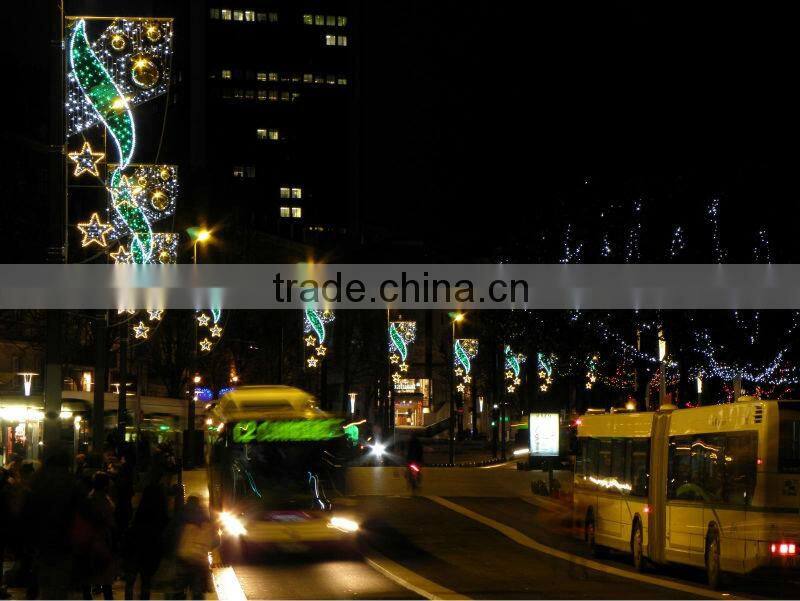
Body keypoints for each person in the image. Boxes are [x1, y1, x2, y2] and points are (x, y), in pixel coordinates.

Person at [123, 482, 169, 600]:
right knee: (146, 581)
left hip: (135, 545)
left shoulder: (140, 509)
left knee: (130, 581)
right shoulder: (161, 513)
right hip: (151, 547)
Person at [80, 471, 116, 600]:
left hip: (95, 538)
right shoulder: (100, 499)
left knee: (93, 572)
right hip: (99, 538)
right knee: (103, 573)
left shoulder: (93, 497)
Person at [173, 496, 215, 599]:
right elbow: (216, 540)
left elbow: (170, 535)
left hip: (183, 558)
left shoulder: (180, 515)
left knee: (179, 590)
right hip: (200, 560)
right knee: (198, 591)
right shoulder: (205, 517)